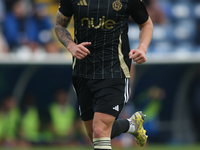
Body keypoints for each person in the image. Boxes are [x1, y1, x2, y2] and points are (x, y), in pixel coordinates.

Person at [55, 0, 153, 149]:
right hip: (83, 72)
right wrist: (71, 45)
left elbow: (146, 24)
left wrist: (142, 48)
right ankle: (131, 125)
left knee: (100, 130)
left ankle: (130, 125)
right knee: (94, 133)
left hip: (114, 71)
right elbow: (59, 25)